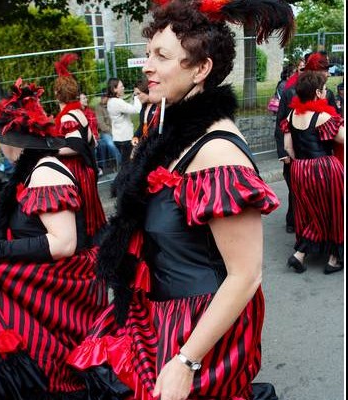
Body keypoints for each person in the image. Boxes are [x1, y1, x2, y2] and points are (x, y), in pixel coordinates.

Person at [67, 1, 294, 399]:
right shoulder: (169, 125)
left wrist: (186, 361)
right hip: (158, 311)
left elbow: (246, 276)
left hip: (196, 327)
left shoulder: (218, 153)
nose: (147, 67)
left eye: (162, 56)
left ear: (201, 69)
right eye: (149, 53)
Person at [0, 78, 110, 399]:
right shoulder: (29, 170)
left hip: (65, 284)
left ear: (11, 140)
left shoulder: (45, 171)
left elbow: (64, 244)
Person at [281, 71, 344, 274]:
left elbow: (288, 148)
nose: (326, 92)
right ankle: (334, 259)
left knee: (311, 213)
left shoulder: (291, 115)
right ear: (317, 92)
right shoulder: (323, 116)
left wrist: (301, 164)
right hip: (323, 169)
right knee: (334, 211)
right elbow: (342, 139)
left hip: (299, 169)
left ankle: (300, 255)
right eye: (324, 89)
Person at [274, 51, 338, 234]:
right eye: (325, 69)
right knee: (296, 192)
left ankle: (311, 232)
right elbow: (281, 124)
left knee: (315, 196)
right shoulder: (289, 93)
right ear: (315, 71)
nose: (328, 74)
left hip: (320, 153)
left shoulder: (329, 94)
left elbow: (332, 123)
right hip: (295, 151)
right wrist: (283, 153)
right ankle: (295, 223)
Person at [54, 53, 107, 241]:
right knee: (90, 212)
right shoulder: (79, 112)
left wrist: (51, 150)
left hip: (76, 171)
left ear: (57, 94)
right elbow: (91, 141)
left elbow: (76, 146)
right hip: (85, 170)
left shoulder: (68, 117)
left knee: (82, 215)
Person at [106, 77, 142, 164]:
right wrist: (137, 96)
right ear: (114, 89)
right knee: (127, 166)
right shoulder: (117, 102)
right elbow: (136, 109)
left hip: (119, 138)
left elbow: (126, 106)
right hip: (125, 138)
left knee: (126, 164)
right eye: (121, 86)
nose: (123, 88)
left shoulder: (112, 101)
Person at [94, 91, 122, 171]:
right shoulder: (98, 107)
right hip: (105, 132)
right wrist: (112, 132)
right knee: (111, 144)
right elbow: (101, 124)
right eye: (101, 97)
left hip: (117, 129)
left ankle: (120, 163)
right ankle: (121, 163)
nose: (102, 98)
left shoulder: (112, 105)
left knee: (124, 141)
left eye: (104, 96)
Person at [131, 77, 160, 149]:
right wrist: (136, 136)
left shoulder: (159, 106)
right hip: (146, 146)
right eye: (135, 94)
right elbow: (142, 125)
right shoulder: (144, 106)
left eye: (138, 94)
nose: (137, 97)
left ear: (146, 90)